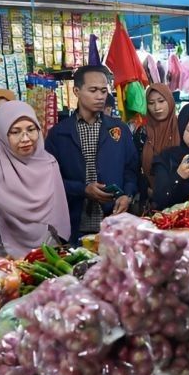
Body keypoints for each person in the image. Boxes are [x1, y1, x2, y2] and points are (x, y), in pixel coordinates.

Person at [45, 66, 138, 243]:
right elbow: (50, 180)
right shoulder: (59, 134)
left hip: (114, 222)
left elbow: (131, 169)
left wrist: (127, 195)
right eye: (93, 90)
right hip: (74, 224)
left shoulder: (119, 130)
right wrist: (82, 189)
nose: (100, 96)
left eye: (103, 91)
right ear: (76, 91)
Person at [0, 101, 70, 258]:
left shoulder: (49, 164)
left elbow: (58, 213)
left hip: (48, 255)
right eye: (15, 132)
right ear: (2, 134)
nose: (26, 138)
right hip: (2, 259)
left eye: (31, 129)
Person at [134, 84, 180, 206]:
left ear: (169, 101)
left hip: (182, 198)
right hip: (151, 200)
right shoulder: (142, 133)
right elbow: (134, 168)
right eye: (151, 103)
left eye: (161, 101)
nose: (156, 107)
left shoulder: (183, 128)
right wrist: (145, 190)